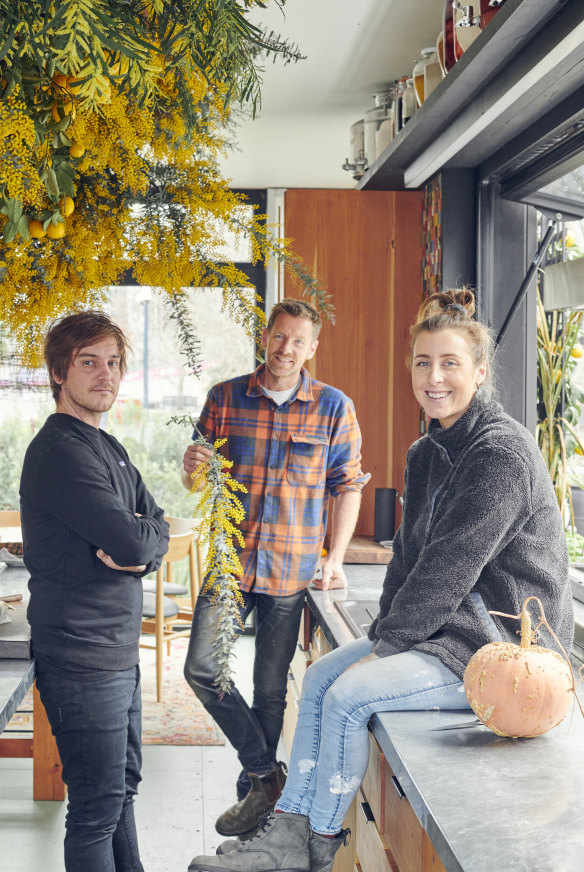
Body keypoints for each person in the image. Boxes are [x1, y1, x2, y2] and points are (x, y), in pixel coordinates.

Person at [187, 288, 574, 872]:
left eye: (449, 363)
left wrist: (386, 647)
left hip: (501, 652)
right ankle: (286, 828)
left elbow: (448, 570)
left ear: (480, 371)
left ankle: (313, 847)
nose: (434, 377)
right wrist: (383, 636)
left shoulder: (499, 455)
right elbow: (409, 559)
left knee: (346, 695)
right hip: (445, 634)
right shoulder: (426, 452)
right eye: (423, 363)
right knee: (320, 677)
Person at [181, 298, 370, 837]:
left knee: (269, 691)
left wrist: (334, 559)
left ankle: (252, 808)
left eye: (298, 341)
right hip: (229, 565)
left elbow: (347, 486)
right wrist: (192, 467)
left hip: (291, 571)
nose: (286, 349)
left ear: (313, 348)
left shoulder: (334, 407)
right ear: (265, 337)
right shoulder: (224, 397)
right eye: (279, 336)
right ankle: (268, 775)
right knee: (202, 669)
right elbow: (199, 476)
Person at [20, 311, 170, 872]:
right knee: (95, 806)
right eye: (89, 362)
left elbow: (152, 527)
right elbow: (133, 540)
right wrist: (138, 544)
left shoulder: (107, 446)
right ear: (60, 372)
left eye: (112, 363)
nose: (104, 375)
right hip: (81, 655)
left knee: (120, 792)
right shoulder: (60, 451)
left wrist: (139, 545)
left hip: (113, 648)